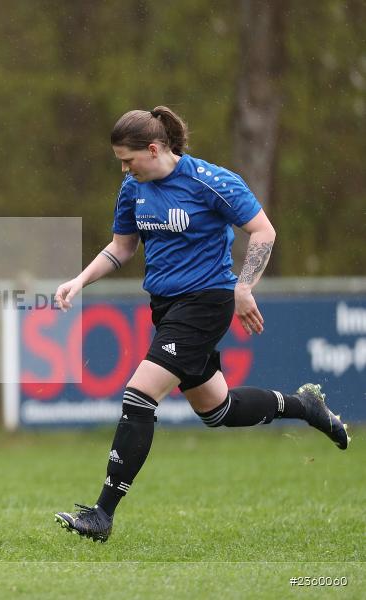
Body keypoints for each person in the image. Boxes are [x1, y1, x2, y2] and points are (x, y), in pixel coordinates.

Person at [52, 106, 351, 543]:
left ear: (154, 149)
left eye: (128, 159)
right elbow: (122, 246)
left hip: (206, 303)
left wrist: (244, 286)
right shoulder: (133, 188)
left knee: (139, 395)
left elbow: (263, 232)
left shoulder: (209, 181)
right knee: (218, 410)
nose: (123, 168)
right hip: (165, 307)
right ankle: (305, 406)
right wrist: (79, 280)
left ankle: (102, 514)